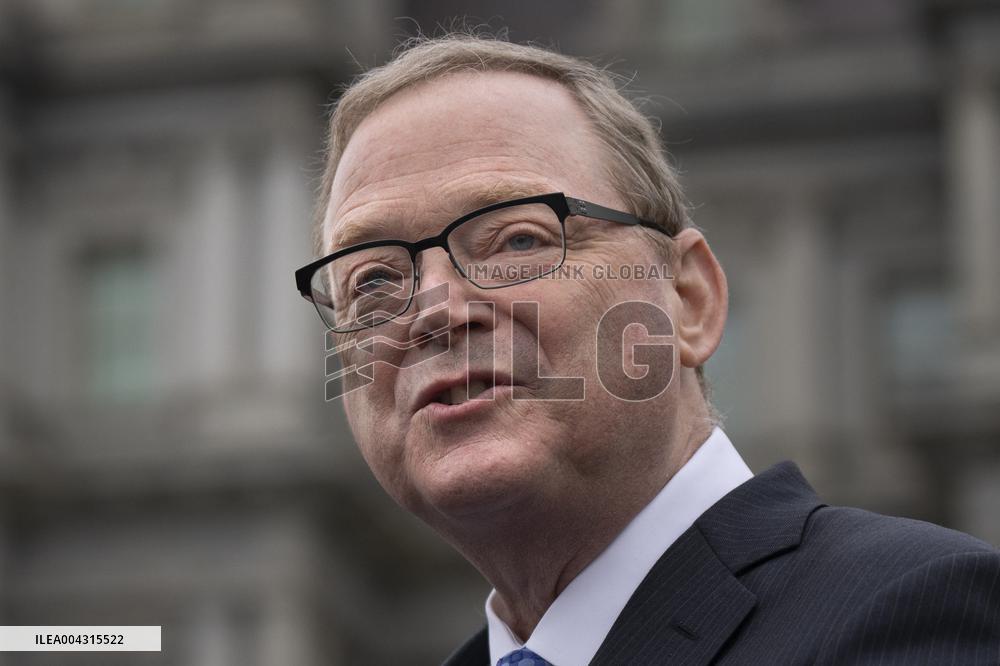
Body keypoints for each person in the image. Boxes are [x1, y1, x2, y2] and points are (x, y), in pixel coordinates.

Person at [295, 34, 1000, 665]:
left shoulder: (909, 613)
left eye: (517, 240)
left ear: (690, 300)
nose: (433, 311)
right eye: (373, 281)